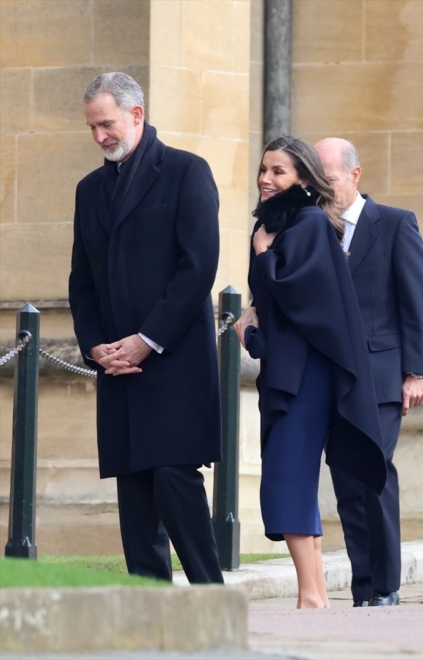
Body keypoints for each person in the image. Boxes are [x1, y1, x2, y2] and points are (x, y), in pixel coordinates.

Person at [69, 72, 223, 585]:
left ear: (137, 114)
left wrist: (147, 339)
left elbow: (197, 267)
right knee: (134, 496)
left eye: (106, 124)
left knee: (175, 482)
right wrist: (96, 347)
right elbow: (82, 281)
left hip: (173, 360)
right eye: (92, 127)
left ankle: (210, 600)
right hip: (117, 366)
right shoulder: (88, 190)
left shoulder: (186, 171)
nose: (99, 137)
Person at [235, 135, 386, 609]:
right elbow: (273, 314)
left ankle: (310, 596)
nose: (266, 178)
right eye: (264, 169)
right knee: (293, 475)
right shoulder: (284, 224)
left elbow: (297, 303)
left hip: (307, 377)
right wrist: (254, 333)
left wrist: (262, 260)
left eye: (278, 171)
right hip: (293, 371)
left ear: (303, 177)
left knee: (285, 476)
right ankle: (315, 593)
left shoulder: (307, 223)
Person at [313, 137, 423, 607]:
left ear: (355, 174)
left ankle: (386, 587)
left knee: (373, 475)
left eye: (331, 178)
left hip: (383, 378)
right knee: (345, 483)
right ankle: (363, 587)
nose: (324, 188)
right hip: (332, 380)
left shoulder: (396, 224)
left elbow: (417, 302)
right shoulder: (315, 230)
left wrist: (416, 373)